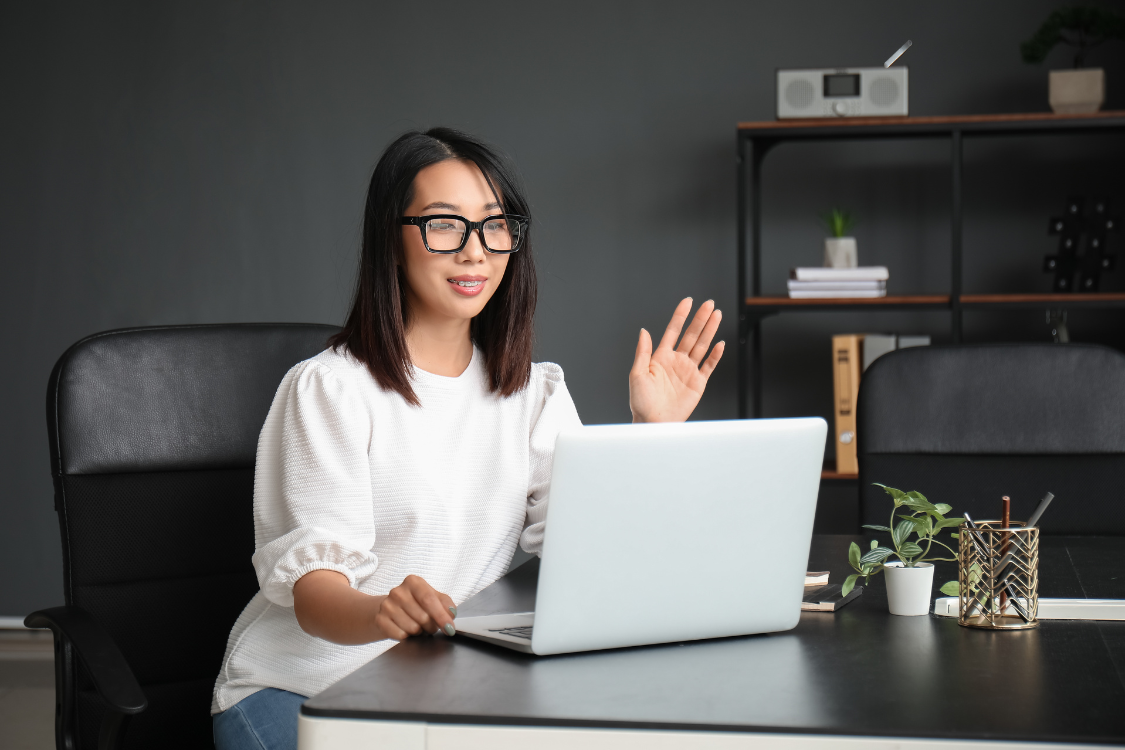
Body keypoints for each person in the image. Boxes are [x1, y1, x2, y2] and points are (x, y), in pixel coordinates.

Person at [210, 127, 724, 750]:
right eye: (444, 225)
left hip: (439, 691)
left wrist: (654, 434)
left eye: (494, 225)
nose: (475, 252)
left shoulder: (533, 395)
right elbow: (315, 596)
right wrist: (381, 612)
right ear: (391, 242)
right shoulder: (328, 389)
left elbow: (595, 553)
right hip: (299, 691)